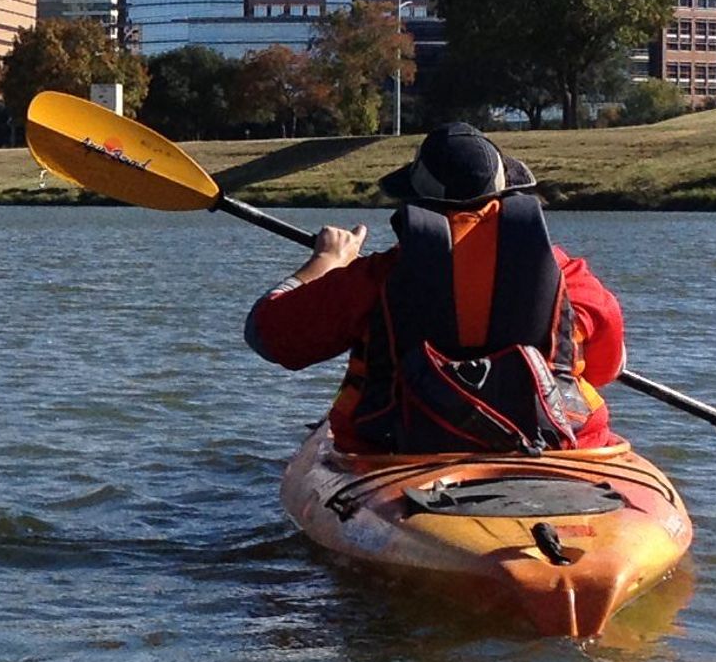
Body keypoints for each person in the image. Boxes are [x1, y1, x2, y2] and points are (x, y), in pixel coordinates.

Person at [245, 124, 627, 456]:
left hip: (396, 449)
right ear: (506, 195)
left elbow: (268, 336)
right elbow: (606, 369)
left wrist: (327, 260)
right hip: (558, 445)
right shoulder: (570, 277)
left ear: (417, 201)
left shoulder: (377, 278)